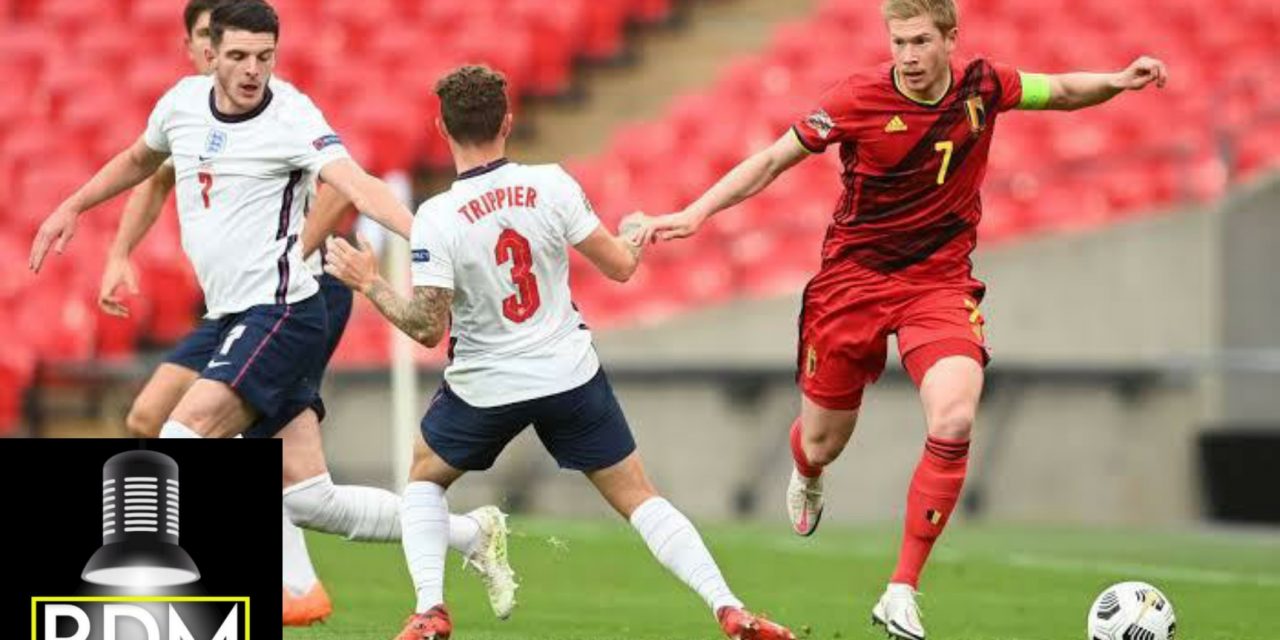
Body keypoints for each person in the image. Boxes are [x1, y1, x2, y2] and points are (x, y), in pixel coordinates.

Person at [637, 1, 1168, 638]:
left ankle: (900, 591)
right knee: (822, 441)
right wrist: (696, 213)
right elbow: (774, 159)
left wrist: (1116, 78)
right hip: (852, 284)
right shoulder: (857, 97)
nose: (909, 57)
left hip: (938, 283)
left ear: (950, 40)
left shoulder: (984, 84)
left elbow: (1057, 90)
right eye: (898, 43)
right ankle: (807, 470)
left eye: (920, 41)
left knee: (955, 416)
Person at [26, 0, 516, 626]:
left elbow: (356, 184)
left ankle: (146, 600)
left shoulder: (292, 116)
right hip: (237, 317)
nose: (251, 69)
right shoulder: (180, 105)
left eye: (263, 57)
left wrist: (428, 232)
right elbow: (138, 162)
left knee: (179, 437)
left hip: (283, 312)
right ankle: (472, 534)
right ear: (211, 54)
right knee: (312, 499)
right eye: (237, 55)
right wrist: (72, 206)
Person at [324, 64, 796, 640]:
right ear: (508, 121)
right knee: (640, 499)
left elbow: (426, 328)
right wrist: (635, 232)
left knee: (424, 479)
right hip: (567, 374)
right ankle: (728, 607)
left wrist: (369, 283)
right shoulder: (551, 183)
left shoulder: (437, 217)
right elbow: (620, 267)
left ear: (441, 130)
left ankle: (430, 611)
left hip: (485, 384)